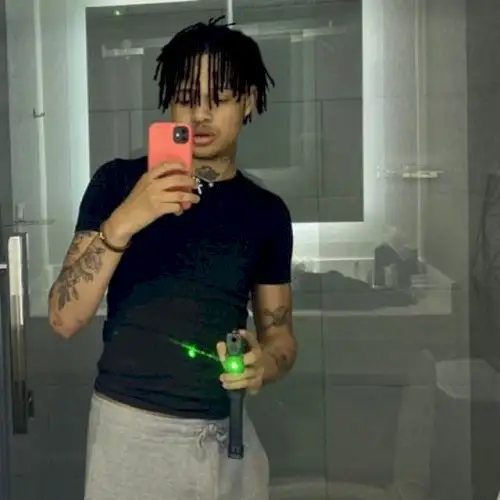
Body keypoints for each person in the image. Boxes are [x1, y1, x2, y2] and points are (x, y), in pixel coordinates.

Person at [48, 17, 296, 500]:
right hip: (131, 435)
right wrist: (126, 219)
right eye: (186, 97)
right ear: (168, 101)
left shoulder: (265, 213)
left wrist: (264, 363)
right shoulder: (118, 183)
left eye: (218, 98)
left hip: (227, 436)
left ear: (248, 101)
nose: (200, 115)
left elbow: (281, 336)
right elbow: (63, 317)